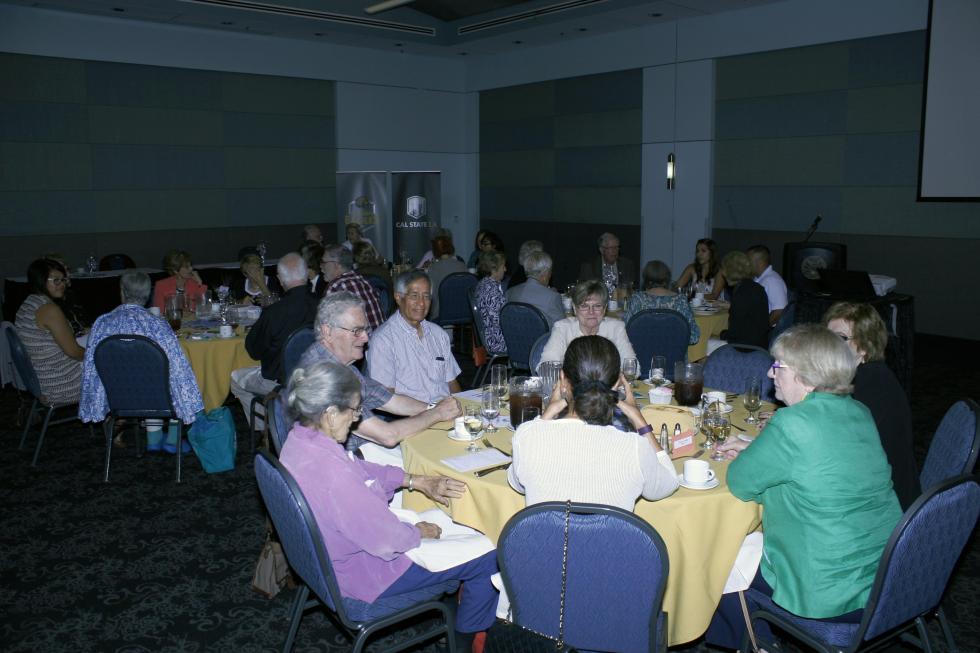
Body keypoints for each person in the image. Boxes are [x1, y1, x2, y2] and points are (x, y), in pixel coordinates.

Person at [706, 324, 902, 649]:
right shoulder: (859, 411)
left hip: (828, 592)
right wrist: (760, 450)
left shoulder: (792, 423)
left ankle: (760, 644)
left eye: (779, 366)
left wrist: (757, 452)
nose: (770, 374)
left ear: (807, 378)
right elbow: (821, 463)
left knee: (717, 552)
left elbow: (740, 483)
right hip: (882, 577)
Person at [278, 360, 498, 648]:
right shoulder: (333, 474)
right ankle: (466, 640)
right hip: (365, 578)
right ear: (330, 414)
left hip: (325, 565)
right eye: (354, 410)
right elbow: (387, 541)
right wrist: (419, 532)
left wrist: (413, 480)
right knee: (491, 550)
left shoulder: (300, 439)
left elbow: (361, 469)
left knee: (450, 520)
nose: (356, 419)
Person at [509, 336, 679, 510]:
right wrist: (638, 418)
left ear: (562, 379)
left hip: (545, 538)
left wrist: (546, 416)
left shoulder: (527, 437)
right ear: (616, 385)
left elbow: (517, 483)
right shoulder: (634, 447)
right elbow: (668, 483)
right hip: (611, 538)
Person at [298, 292, 461, 455]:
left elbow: (391, 401)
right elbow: (387, 436)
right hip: (354, 463)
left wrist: (436, 408)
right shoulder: (323, 378)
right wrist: (437, 413)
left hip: (369, 452)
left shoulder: (340, 365)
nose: (365, 338)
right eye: (356, 331)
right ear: (327, 331)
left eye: (365, 329)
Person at [80, 271, 204, 452]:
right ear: (147, 296)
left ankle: (153, 439)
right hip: (156, 398)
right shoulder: (158, 325)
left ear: (122, 292)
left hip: (116, 397)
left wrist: (94, 402)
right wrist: (190, 405)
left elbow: (90, 367)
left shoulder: (102, 323)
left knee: (145, 376)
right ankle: (171, 439)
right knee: (173, 376)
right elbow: (179, 371)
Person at [824, 302, 920, 509]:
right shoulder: (855, 376)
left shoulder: (872, 382)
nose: (828, 345)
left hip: (884, 505)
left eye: (840, 338)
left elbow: (836, 446)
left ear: (865, 347)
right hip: (871, 487)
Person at [229, 253, 318, 432]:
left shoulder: (274, 312)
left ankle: (269, 431)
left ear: (280, 280)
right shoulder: (323, 304)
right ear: (305, 273)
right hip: (317, 376)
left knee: (236, 379)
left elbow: (253, 351)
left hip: (281, 382)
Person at [367, 271, 462, 403]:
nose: (422, 303)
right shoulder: (383, 340)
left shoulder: (439, 334)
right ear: (398, 298)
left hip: (446, 410)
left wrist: (462, 408)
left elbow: (452, 382)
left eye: (426, 296)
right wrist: (431, 413)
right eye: (414, 296)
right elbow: (385, 397)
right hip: (413, 418)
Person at [14, 259, 84, 406]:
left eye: (63, 280)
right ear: (40, 281)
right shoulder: (49, 310)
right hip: (62, 384)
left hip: (41, 380)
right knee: (116, 363)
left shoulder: (28, 303)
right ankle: (118, 421)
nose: (62, 284)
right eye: (56, 281)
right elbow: (74, 352)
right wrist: (100, 353)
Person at [540, 280, 636, 365]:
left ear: (605, 308)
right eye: (584, 306)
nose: (591, 312)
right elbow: (547, 366)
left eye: (597, 306)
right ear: (574, 308)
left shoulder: (616, 328)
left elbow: (632, 367)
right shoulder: (562, 328)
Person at [624, 260, 700, 345]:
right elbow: (694, 337)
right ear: (667, 278)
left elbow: (626, 333)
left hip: (641, 356)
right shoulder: (680, 300)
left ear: (646, 278)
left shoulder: (637, 299)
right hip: (675, 356)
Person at [320, 244, 385, 329]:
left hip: (362, 340)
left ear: (336, 265)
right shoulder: (363, 281)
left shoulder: (335, 287)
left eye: (323, 262)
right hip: (380, 338)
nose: (321, 266)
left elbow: (325, 327)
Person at [717, 251, 769, 350]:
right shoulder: (757, 287)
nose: (722, 273)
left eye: (723, 269)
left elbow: (735, 332)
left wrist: (722, 334)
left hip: (745, 347)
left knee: (706, 343)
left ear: (730, 271)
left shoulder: (741, 292)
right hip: (761, 344)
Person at [505, 250, 565, 327]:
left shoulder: (509, 292)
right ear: (545, 273)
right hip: (543, 339)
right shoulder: (553, 297)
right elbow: (562, 326)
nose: (550, 275)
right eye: (550, 272)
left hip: (512, 337)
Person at [424, 235, 467, 321]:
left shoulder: (433, 268)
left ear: (435, 251)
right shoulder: (462, 266)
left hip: (440, 314)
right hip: (464, 312)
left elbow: (430, 293)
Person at [474, 250, 508, 355]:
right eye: (503, 266)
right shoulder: (491, 292)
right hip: (497, 341)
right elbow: (500, 321)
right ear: (494, 269)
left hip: (492, 335)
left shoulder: (483, 284)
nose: (505, 269)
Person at [747, 245, 788, 326]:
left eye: (748, 260)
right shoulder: (758, 279)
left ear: (759, 262)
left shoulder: (772, 281)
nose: (745, 264)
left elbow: (779, 312)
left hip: (768, 333)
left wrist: (760, 330)